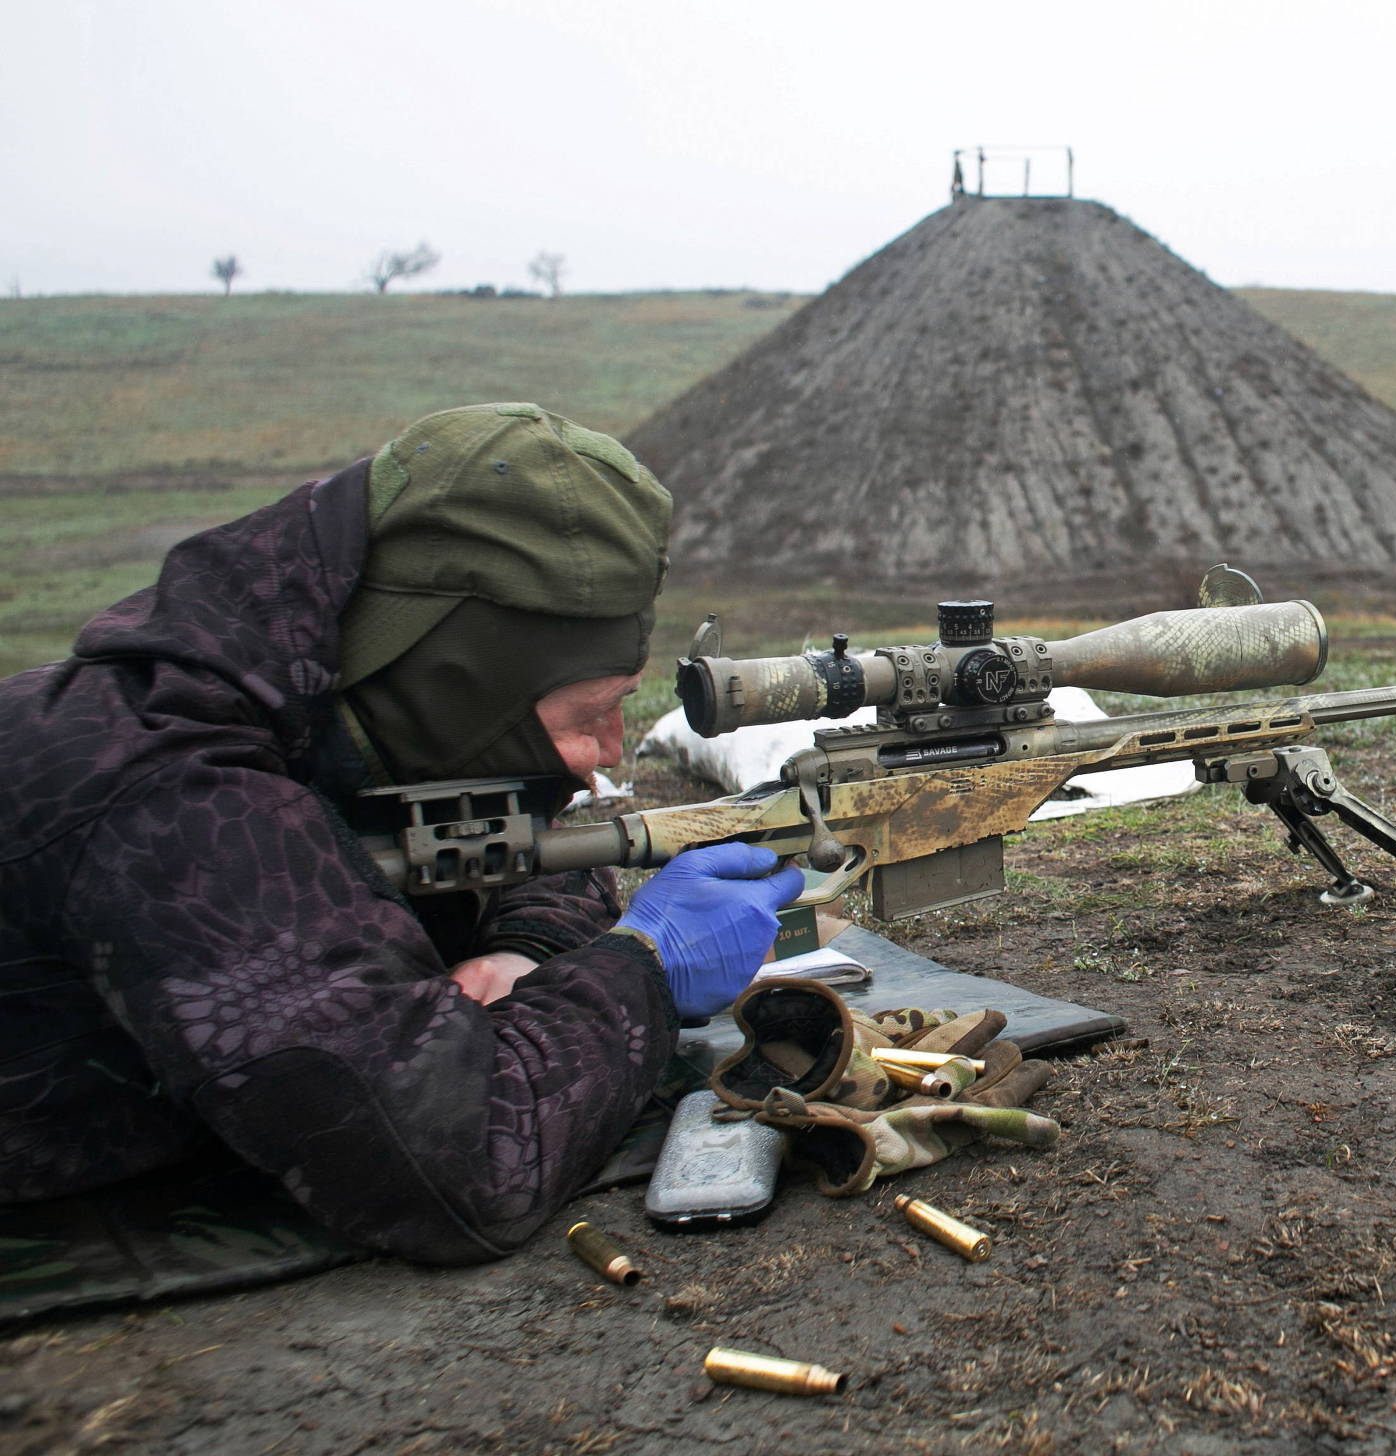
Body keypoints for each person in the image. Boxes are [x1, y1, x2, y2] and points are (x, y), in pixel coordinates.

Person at [0, 403, 804, 1263]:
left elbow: (529, 853)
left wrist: (527, 949)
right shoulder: (171, 792)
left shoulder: (337, 693)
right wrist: (642, 972)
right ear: (458, 689)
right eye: (588, 716)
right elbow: (465, 1166)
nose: (604, 757)